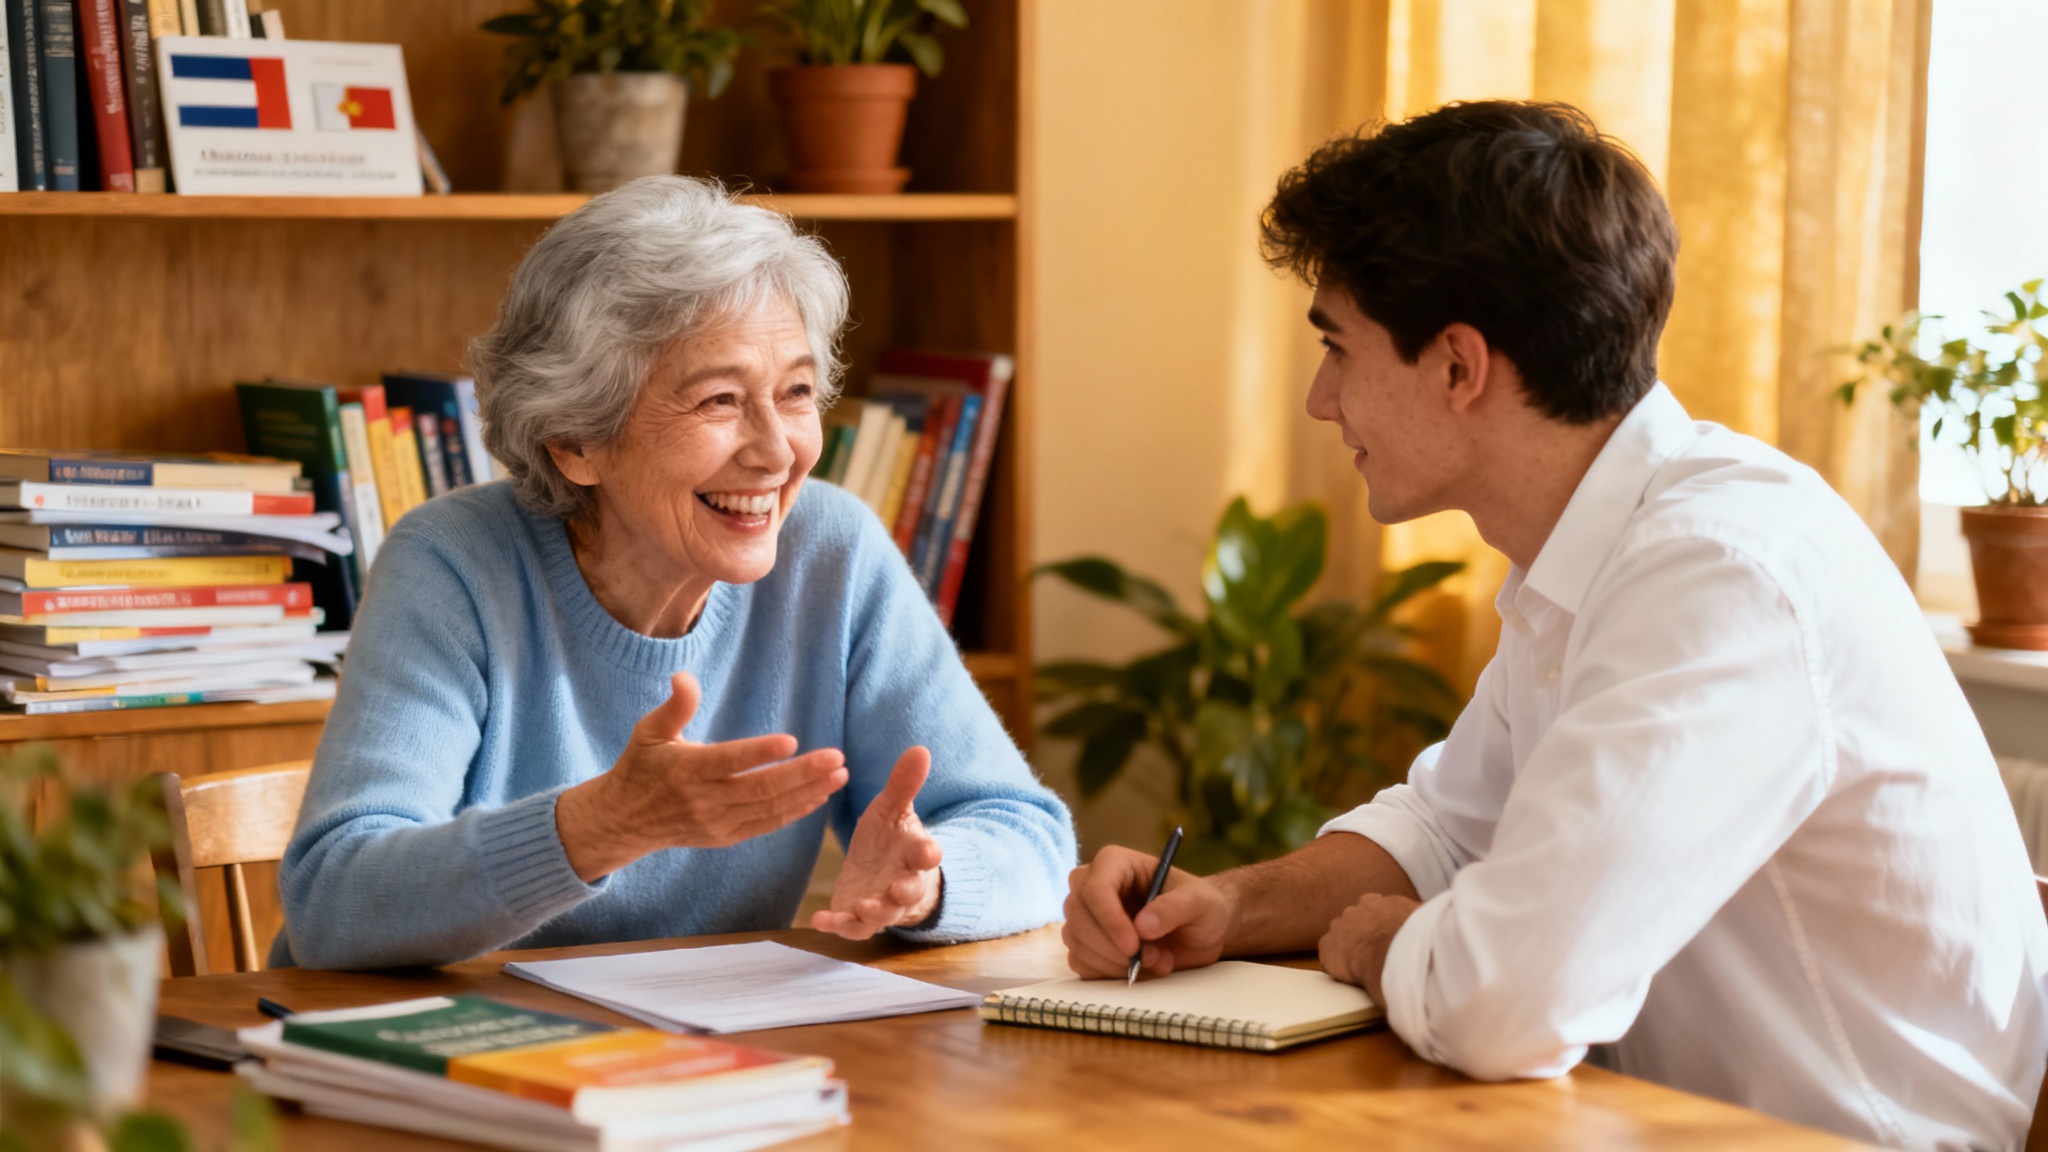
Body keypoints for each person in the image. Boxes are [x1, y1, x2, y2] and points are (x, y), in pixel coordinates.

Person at [1061, 101, 2048, 1151]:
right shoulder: (1602, 545)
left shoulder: (1717, 573)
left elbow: (1508, 1002)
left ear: (1456, 367)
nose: (1317, 399)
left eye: (1337, 350)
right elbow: (1448, 828)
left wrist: (1390, 945)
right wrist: (1223, 905)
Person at [275, 176, 1075, 970]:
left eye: (795, 392)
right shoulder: (454, 565)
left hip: (709, 1059)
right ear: (575, 441)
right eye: (720, 400)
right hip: (450, 1062)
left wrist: (927, 881)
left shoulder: (830, 550)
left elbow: (1025, 830)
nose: (776, 450)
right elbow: (333, 904)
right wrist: (602, 825)